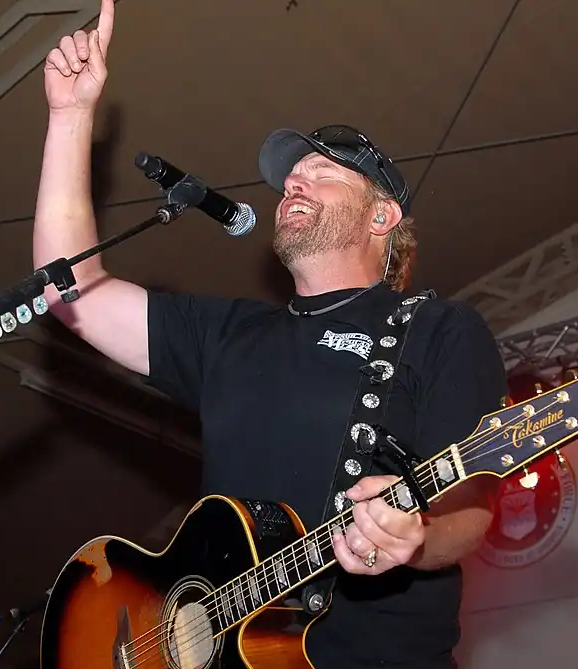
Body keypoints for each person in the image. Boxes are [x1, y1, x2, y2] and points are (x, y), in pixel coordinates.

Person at [32, 1, 507, 667]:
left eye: (322, 169)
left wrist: (416, 541)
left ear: (383, 215)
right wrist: (71, 117)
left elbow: (473, 509)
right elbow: (67, 289)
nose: (293, 179)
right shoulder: (229, 333)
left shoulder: (438, 330)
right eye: (290, 173)